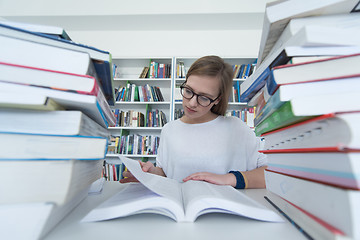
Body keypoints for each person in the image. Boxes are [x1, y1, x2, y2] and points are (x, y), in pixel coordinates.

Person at [120, 55, 267, 189]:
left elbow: (272, 172)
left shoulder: (236, 128)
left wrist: (229, 179)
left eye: (204, 97)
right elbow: (167, 174)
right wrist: (150, 172)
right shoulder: (169, 129)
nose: (191, 103)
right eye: (188, 91)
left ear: (217, 100)